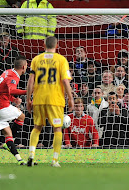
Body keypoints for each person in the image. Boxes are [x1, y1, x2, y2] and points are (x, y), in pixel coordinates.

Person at [26, 36, 74, 167]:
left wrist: (28, 99)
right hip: (55, 100)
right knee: (57, 128)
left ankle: (31, 155)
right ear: (57, 45)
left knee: (37, 127)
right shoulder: (61, 60)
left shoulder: (36, 59)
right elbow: (65, 81)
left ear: (44, 45)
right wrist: (70, 98)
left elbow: (30, 81)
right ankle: (55, 160)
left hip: (39, 99)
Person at [0, 56, 28, 165]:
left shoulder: (7, 72)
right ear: (23, 67)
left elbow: (1, 90)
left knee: (7, 134)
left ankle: (19, 160)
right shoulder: (14, 76)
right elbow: (12, 89)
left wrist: (13, 99)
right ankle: (10, 142)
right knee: (21, 117)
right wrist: (28, 91)